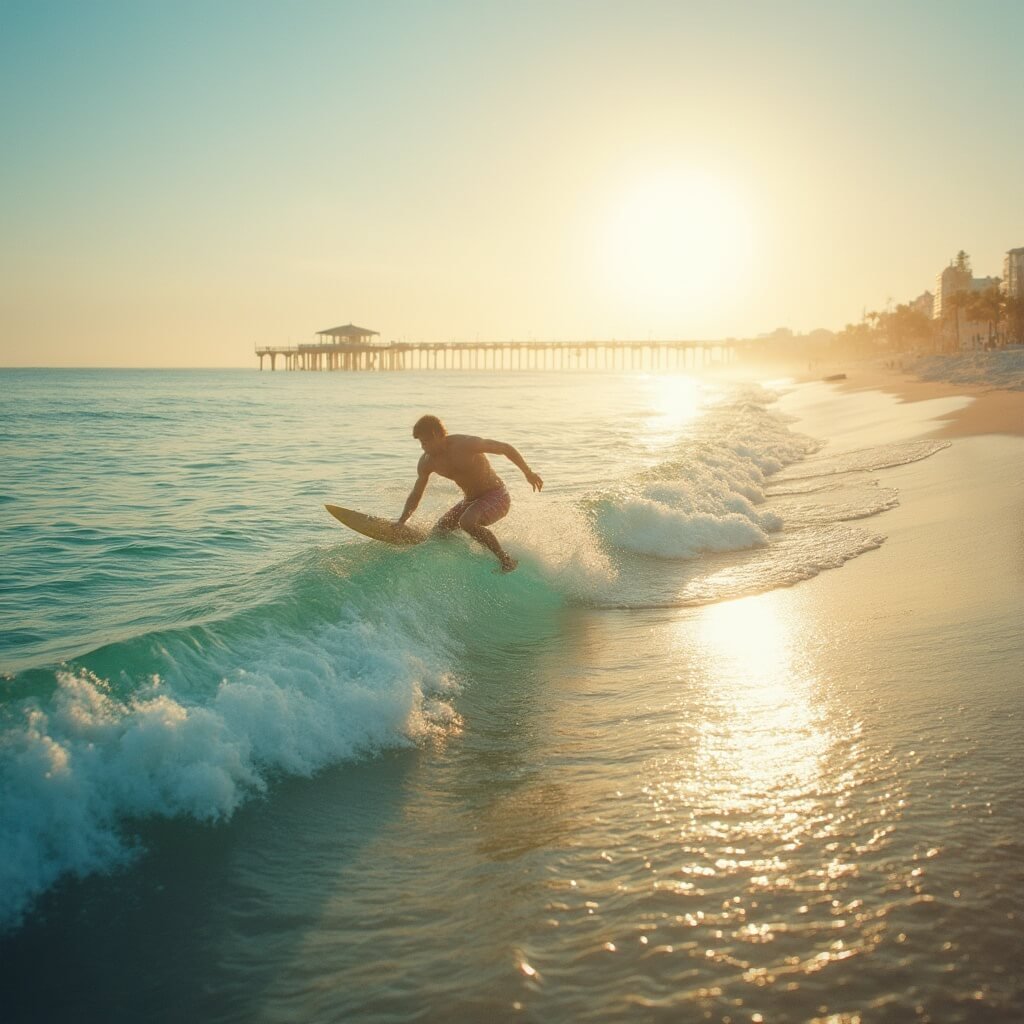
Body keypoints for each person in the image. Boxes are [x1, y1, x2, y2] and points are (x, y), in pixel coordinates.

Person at [397, 415, 543, 572]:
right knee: (439, 532)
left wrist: (528, 473)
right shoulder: (427, 462)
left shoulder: (465, 444)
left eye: (425, 442)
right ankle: (464, 561)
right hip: (470, 501)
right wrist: (402, 521)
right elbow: (416, 493)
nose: (422, 447)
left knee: (466, 522)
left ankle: (506, 559)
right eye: (420, 443)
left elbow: (505, 448)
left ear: (438, 435)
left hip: (496, 495)